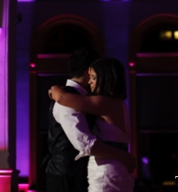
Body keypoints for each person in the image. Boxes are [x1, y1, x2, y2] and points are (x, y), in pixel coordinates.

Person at [44, 48, 135, 192]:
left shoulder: (100, 102)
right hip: (70, 174)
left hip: (105, 172)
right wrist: (124, 156)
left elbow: (62, 98)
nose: (91, 81)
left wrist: (55, 90)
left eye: (94, 77)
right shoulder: (115, 102)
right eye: (91, 76)